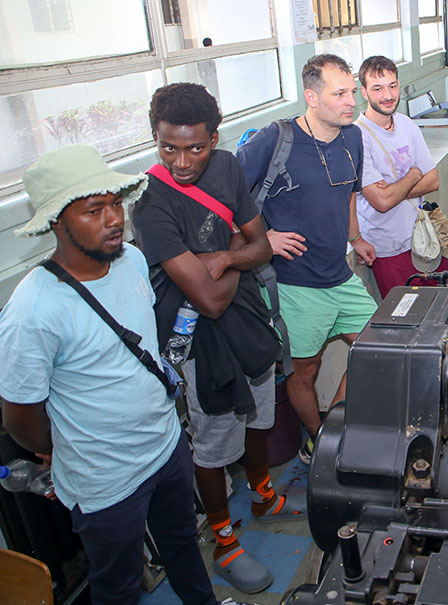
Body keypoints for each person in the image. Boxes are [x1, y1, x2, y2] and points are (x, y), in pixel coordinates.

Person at [0, 145, 216, 604]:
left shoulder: (132, 261)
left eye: (116, 204)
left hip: (166, 448)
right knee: (118, 586)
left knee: (184, 546)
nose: (114, 219)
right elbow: (20, 416)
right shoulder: (34, 309)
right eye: (94, 210)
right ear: (57, 222)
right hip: (105, 482)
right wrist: (64, 448)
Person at [132, 83, 304, 594]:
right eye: (168, 148)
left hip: (247, 320)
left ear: (214, 137)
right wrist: (237, 252)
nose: (182, 161)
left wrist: (226, 255)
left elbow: (261, 246)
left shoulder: (227, 167)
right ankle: (226, 543)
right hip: (198, 339)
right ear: (156, 139)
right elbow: (208, 302)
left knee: (258, 416)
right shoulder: (150, 203)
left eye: (195, 148)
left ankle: (264, 496)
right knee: (212, 442)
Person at [237, 54, 378, 464]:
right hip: (295, 285)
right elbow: (230, 195)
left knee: (380, 350)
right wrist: (263, 238)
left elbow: (348, 194)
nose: (351, 101)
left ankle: (336, 425)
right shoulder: (275, 140)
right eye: (340, 94)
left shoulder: (353, 137)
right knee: (305, 370)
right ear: (312, 97)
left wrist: (355, 237)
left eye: (352, 92)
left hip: (341, 275)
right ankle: (317, 440)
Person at [355, 55, 448, 296]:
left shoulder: (406, 124)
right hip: (388, 246)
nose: (388, 95)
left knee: (447, 295)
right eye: (377, 88)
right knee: (406, 309)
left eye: (392, 86)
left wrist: (392, 190)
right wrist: (414, 174)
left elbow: (433, 180)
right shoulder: (357, 136)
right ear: (364, 92)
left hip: (422, 235)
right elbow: (382, 202)